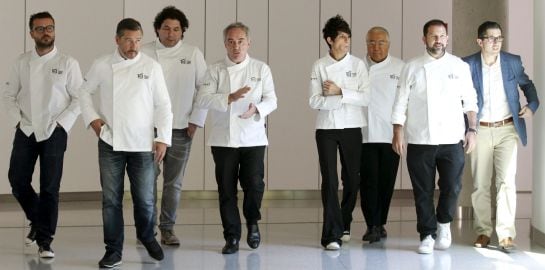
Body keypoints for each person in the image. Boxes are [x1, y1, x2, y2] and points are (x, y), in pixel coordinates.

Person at [79, 18, 172, 268]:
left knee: (145, 199)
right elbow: (84, 92)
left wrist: (162, 138)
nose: (134, 45)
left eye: (138, 40)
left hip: (143, 144)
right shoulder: (102, 64)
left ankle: (146, 236)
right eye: (129, 40)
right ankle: (113, 250)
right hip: (110, 143)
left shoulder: (151, 67)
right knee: (111, 200)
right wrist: (94, 121)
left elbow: (163, 104)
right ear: (117, 39)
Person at [392, 19, 478, 254]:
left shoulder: (459, 66)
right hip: (420, 139)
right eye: (433, 36)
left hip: (452, 139)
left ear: (447, 39)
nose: (438, 40)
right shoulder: (411, 67)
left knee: (452, 186)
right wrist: (397, 131)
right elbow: (400, 101)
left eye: (441, 36)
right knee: (423, 191)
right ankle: (427, 234)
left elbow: (470, 101)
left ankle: (443, 225)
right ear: (424, 39)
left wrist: (472, 130)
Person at [2, 11, 82, 259]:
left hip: (54, 131)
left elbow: (80, 98)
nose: (46, 32)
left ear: (55, 31)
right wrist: (18, 122)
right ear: (31, 34)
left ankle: (45, 241)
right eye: (40, 28)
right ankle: (37, 220)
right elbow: (8, 96)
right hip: (26, 128)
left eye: (50, 28)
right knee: (17, 179)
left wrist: (61, 124)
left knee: (49, 187)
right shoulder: (21, 62)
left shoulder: (68, 63)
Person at [196, 22, 277, 254]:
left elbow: (272, 100)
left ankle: (252, 222)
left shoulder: (262, 69)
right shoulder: (215, 70)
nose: (236, 46)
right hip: (223, 140)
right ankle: (231, 236)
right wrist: (229, 97)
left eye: (240, 41)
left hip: (253, 138)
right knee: (226, 190)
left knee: (254, 184)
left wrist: (258, 109)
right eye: (231, 41)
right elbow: (202, 99)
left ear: (248, 43)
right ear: (225, 44)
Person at [462, 21, 539, 250]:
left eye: (499, 38)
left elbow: (528, 85)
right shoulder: (468, 64)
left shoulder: (512, 62)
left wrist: (532, 105)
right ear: (480, 41)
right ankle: (483, 232)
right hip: (481, 129)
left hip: (507, 129)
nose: (496, 43)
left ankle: (506, 234)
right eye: (491, 38)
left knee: (506, 181)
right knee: (480, 184)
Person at [141, 5, 207, 246]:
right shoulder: (144, 51)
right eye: (166, 28)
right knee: (147, 180)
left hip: (180, 128)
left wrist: (195, 120)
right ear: (157, 30)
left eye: (176, 29)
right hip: (149, 129)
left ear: (182, 32)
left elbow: (205, 88)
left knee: (173, 182)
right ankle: (146, 229)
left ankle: (167, 228)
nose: (171, 33)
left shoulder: (192, 53)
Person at [309, 15, 369, 250]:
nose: (347, 41)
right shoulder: (319, 66)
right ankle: (331, 235)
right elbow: (314, 101)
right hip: (326, 129)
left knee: (352, 180)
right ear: (330, 40)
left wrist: (339, 92)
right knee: (330, 181)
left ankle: (344, 220)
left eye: (348, 37)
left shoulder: (358, 65)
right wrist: (340, 98)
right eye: (342, 37)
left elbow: (366, 97)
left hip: (353, 127)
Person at [354, 26, 404, 243]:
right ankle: (371, 225)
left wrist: (399, 131)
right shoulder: (356, 66)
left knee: (386, 182)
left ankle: (380, 222)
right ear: (366, 44)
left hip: (390, 135)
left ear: (389, 44)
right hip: (363, 135)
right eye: (371, 42)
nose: (376, 47)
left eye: (381, 42)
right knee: (367, 183)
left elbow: (404, 103)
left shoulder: (400, 67)